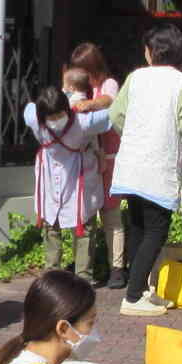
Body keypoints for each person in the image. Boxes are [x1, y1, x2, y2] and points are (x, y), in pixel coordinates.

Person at [109, 24, 182, 316]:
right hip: (157, 167)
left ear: (151, 53)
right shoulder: (181, 82)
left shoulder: (135, 77)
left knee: (139, 225)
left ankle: (139, 290)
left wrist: (135, 135)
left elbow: (115, 114)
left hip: (131, 164)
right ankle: (133, 296)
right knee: (156, 230)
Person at [25, 85, 111, 280]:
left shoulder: (80, 122)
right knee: (52, 224)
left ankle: (82, 276)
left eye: (59, 115)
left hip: (77, 178)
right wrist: (94, 103)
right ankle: (53, 273)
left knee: (84, 225)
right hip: (52, 178)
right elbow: (112, 112)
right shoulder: (82, 121)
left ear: (66, 108)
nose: (55, 121)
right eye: (50, 117)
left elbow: (28, 108)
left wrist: (92, 103)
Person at [67, 44, 125, 284]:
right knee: (85, 215)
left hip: (108, 158)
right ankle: (84, 267)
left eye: (84, 71)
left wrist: (88, 104)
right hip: (87, 160)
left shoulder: (109, 83)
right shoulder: (79, 88)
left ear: (93, 68)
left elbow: (108, 99)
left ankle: (117, 269)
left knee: (111, 215)